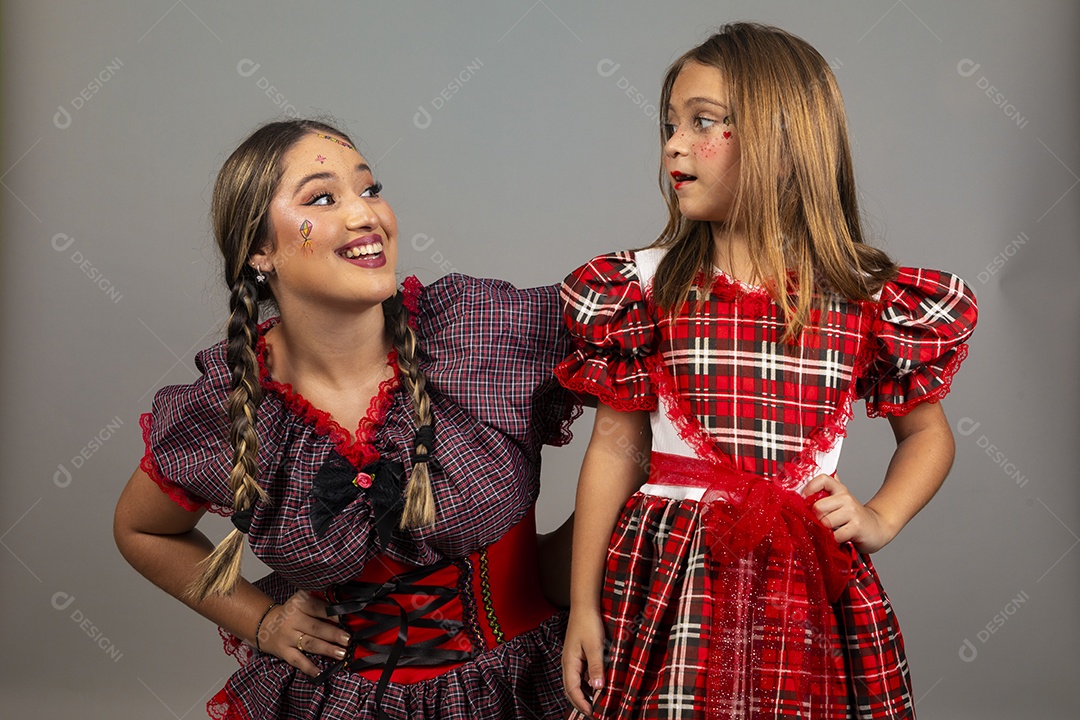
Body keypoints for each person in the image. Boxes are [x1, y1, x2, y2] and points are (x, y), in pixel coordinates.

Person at [557, 23, 978, 720]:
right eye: (670, 124)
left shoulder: (863, 298)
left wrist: (879, 517)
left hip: (803, 587)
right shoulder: (645, 289)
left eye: (703, 123)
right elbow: (613, 448)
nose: (672, 144)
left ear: (784, 144)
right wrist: (582, 607)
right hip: (668, 581)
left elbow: (927, 435)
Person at [114, 119, 579, 719]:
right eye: (323, 197)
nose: (367, 215)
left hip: (522, 687)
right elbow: (143, 530)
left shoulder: (479, 333)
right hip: (341, 703)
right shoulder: (236, 407)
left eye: (370, 188)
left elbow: (647, 378)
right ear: (259, 250)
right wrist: (261, 622)